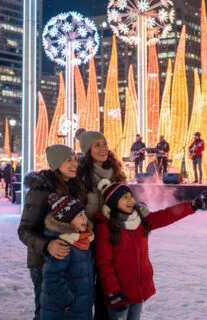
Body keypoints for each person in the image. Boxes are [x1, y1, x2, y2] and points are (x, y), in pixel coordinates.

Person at [94, 181, 207, 320]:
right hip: (119, 292)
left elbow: (167, 215)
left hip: (138, 290)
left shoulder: (140, 220)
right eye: (124, 197)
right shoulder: (105, 226)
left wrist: (193, 206)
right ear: (114, 201)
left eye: (131, 196)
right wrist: (112, 293)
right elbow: (104, 262)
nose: (130, 201)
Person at [18, 144, 81, 320]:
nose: (74, 163)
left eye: (75, 159)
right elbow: (24, 230)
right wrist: (47, 245)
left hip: (68, 260)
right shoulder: (40, 191)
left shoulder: (74, 187)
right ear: (56, 163)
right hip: (42, 262)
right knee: (47, 311)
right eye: (68, 160)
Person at [75, 128, 126, 320]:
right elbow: (75, 210)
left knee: (109, 287)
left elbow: (125, 201)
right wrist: (90, 223)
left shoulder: (117, 172)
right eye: (97, 145)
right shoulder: (80, 176)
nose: (103, 148)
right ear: (87, 150)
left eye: (104, 143)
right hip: (88, 239)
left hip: (112, 237)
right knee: (86, 288)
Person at [41, 195, 94, 319]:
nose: (85, 218)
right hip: (65, 311)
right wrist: (68, 301)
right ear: (67, 220)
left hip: (80, 306)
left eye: (84, 214)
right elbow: (52, 277)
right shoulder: (63, 244)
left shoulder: (82, 241)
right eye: (80, 215)